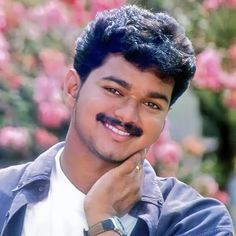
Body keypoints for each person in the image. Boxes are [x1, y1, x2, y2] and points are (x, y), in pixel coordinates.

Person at [0, 4, 234, 236]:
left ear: (164, 119)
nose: (127, 115)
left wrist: (103, 219)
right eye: (114, 90)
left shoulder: (195, 221)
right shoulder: (4, 195)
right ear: (73, 89)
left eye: (152, 104)